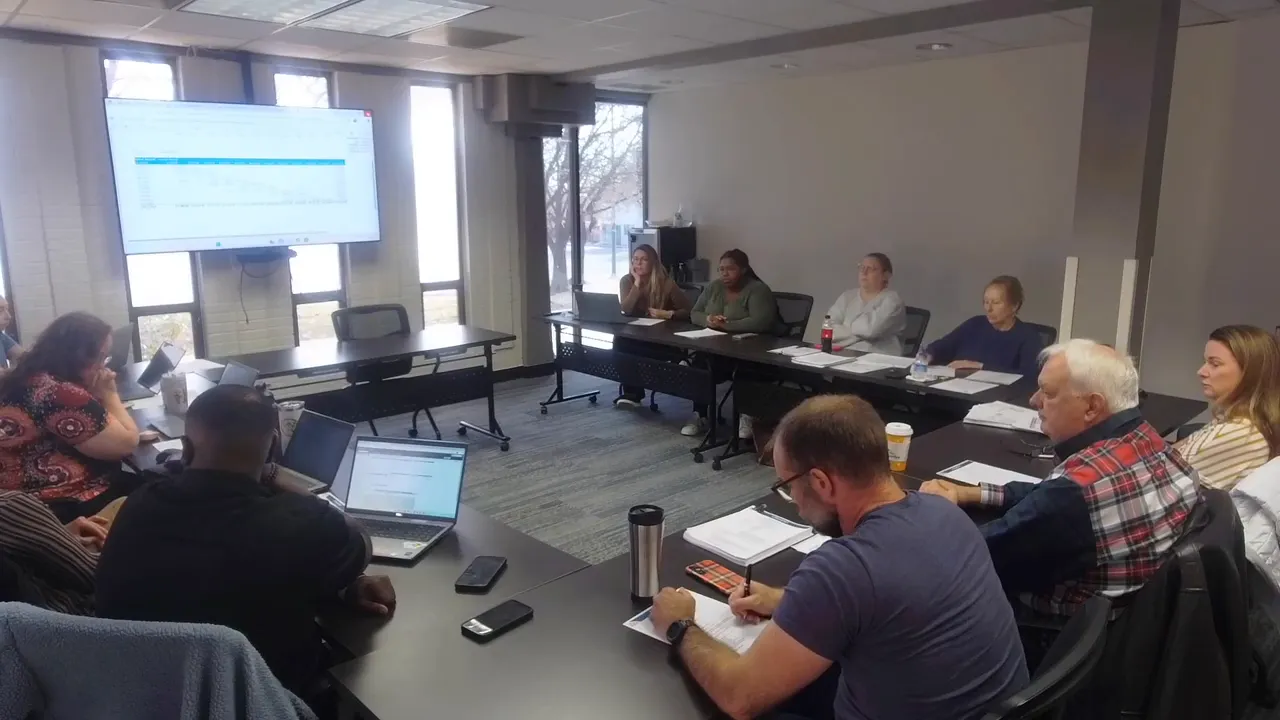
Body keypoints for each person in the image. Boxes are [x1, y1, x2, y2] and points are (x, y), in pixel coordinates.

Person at [651, 395, 1028, 720]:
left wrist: (681, 626)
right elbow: (894, 597)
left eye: (788, 486)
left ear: (821, 482)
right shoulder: (943, 512)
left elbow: (740, 698)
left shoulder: (843, 568)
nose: (794, 501)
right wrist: (781, 599)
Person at [95, 384, 395, 703]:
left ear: (185, 446)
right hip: (264, 702)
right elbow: (360, 538)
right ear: (273, 448)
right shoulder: (300, 524)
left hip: (138, 699)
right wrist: (279, 478)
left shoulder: (138, 505)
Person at [921, 340, 1201, 625]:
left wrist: (939, 514)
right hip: (1127, 626)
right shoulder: (1152, 442)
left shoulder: (1074, 495)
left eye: (1048, 392)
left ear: (1092, 406)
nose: (1034, 401)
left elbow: (974, 555)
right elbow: (1049, 498)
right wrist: (976, 493)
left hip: (1045, 633)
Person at [0, 312, 141, 523]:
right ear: (81, 357)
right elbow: (126, 444)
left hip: (18, 502)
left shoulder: (27, 378)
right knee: (157, 491)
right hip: (60, 503)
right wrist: (110, 394)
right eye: (101, 357)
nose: (104, 366)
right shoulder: (58, 393)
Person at [684, 249, 777, 437]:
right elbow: (695, 312)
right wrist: (708, 320)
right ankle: (700, 415)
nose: (724, 274)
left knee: (746, 369)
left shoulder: (758, 289)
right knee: (699, 365)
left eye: (730, 269)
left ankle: (748, 416)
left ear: (743, 269)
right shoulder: (714, 287)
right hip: (716, 347)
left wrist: (727, 325)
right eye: (721, 269)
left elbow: (761, 321)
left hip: (751, 350)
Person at [1175, 325, 1280, 490]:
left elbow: (1160, 489)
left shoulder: (1241, 435)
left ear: (1249, 373)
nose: (1201, 371)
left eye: (1215, 364)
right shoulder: (1229, 418)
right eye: (1205, 362)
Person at [0, 489, 107, 615]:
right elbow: (97, 576)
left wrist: (57, 535)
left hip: (18, 629)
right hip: (75, 620)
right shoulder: (9, 507)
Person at [615, 244, 693, 407]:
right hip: (637, 334)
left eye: (644, 260)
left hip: (661, 336)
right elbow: (626, 309)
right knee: (621, 341)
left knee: (631, 347)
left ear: (653, 263)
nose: (638, 263)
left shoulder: (666, 283)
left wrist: (669, 314)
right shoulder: (627, 281)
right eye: (635, 259)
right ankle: (632, 394)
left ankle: (676, 366)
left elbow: (689, 310)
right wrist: (637, 284)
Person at [923, 275, 1043, 375]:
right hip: (956, 390)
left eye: (996, 303)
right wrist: (929, 354)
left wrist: (980, 366)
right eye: (986, 302)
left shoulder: (1028, 337)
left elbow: (1028, 376)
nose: (989, 308)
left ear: (1014, 306)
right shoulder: (975, 324)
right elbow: (946, 345)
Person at [824, 253, 906, 354]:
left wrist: (845, 329)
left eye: (871, 269)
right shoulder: (847, 296)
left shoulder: (893, 301)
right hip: (843, 356)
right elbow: (827, 330)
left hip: (879, 360)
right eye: (862, 267)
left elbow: (870, 331)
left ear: (885, 275)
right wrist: (860, 334)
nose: (864, 272)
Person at [0, 295, 26, 368]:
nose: (8, 316)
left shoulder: (1, 336)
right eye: (0, 311)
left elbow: (26, 356)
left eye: (7, 309)